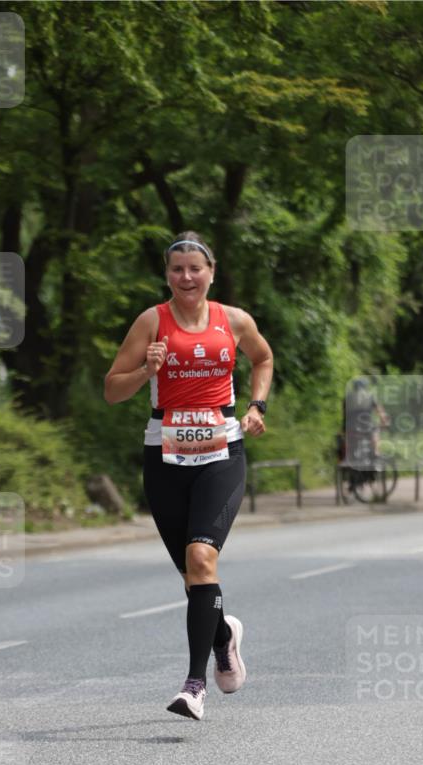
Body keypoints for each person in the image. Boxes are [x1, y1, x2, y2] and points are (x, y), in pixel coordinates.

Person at [104, 231, 273, 720]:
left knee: (202, 559)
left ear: (211, 271)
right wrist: (145, 371)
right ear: (167, 275)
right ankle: (225, 636)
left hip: (221, 452)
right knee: (193, 578)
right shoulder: (150, 322)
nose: (186, 276)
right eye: (177, 269)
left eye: (195, 268)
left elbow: (262, 357)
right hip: (165, 457)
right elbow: (112, 389)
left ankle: (195, 685)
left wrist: (257, 405)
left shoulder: (234, 320)